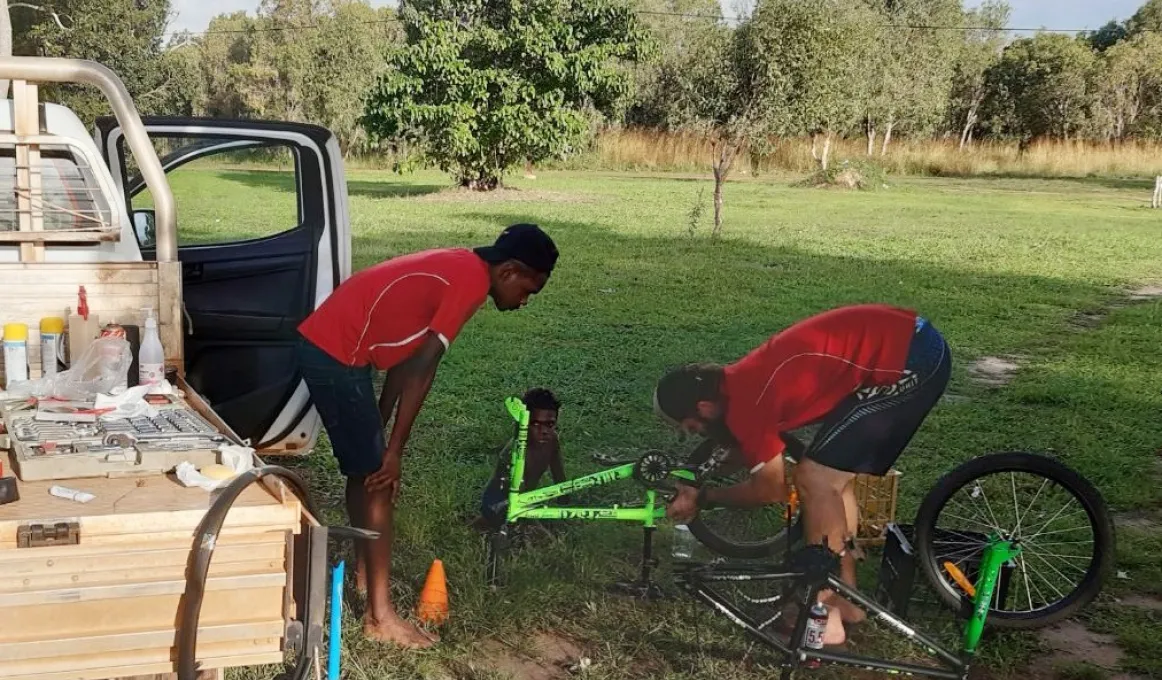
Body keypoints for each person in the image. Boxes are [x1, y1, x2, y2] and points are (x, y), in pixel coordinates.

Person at [296, 223, 559, 648]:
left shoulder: (463, 266)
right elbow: (422, 370)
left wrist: (380, 426)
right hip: (336, 352)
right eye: (530, 290)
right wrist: (394, 451)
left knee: (367, 469)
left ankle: (365, 577)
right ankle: (380, 619)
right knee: (380, 482)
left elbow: (407, 356)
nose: (525, 301)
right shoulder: (470, 283)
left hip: (332, 345)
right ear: (510, 271)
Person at [653, 303, 951, 646]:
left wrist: (704, 497)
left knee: (815, 478)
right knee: (833, 479)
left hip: (910, 361)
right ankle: (846, 601)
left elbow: (768, 489)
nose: (696, 435)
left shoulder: (748, 403)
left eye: (692, 428)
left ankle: (822, 613)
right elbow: (743, 449)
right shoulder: (737, 387)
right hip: (910, 340)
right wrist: (694, 478)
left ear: (703, 408)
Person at [474, 387, 567, 532]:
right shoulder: (514, 452)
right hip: (498, 503)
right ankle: (484, 524)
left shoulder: (552, 440)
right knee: (537, 538)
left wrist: (565, 500)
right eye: (536, 424)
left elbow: (558, 472)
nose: (544, 431)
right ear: (523, 423)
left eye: (549, 424)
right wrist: (538, 528)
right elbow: (519, 501)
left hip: (523, 500)